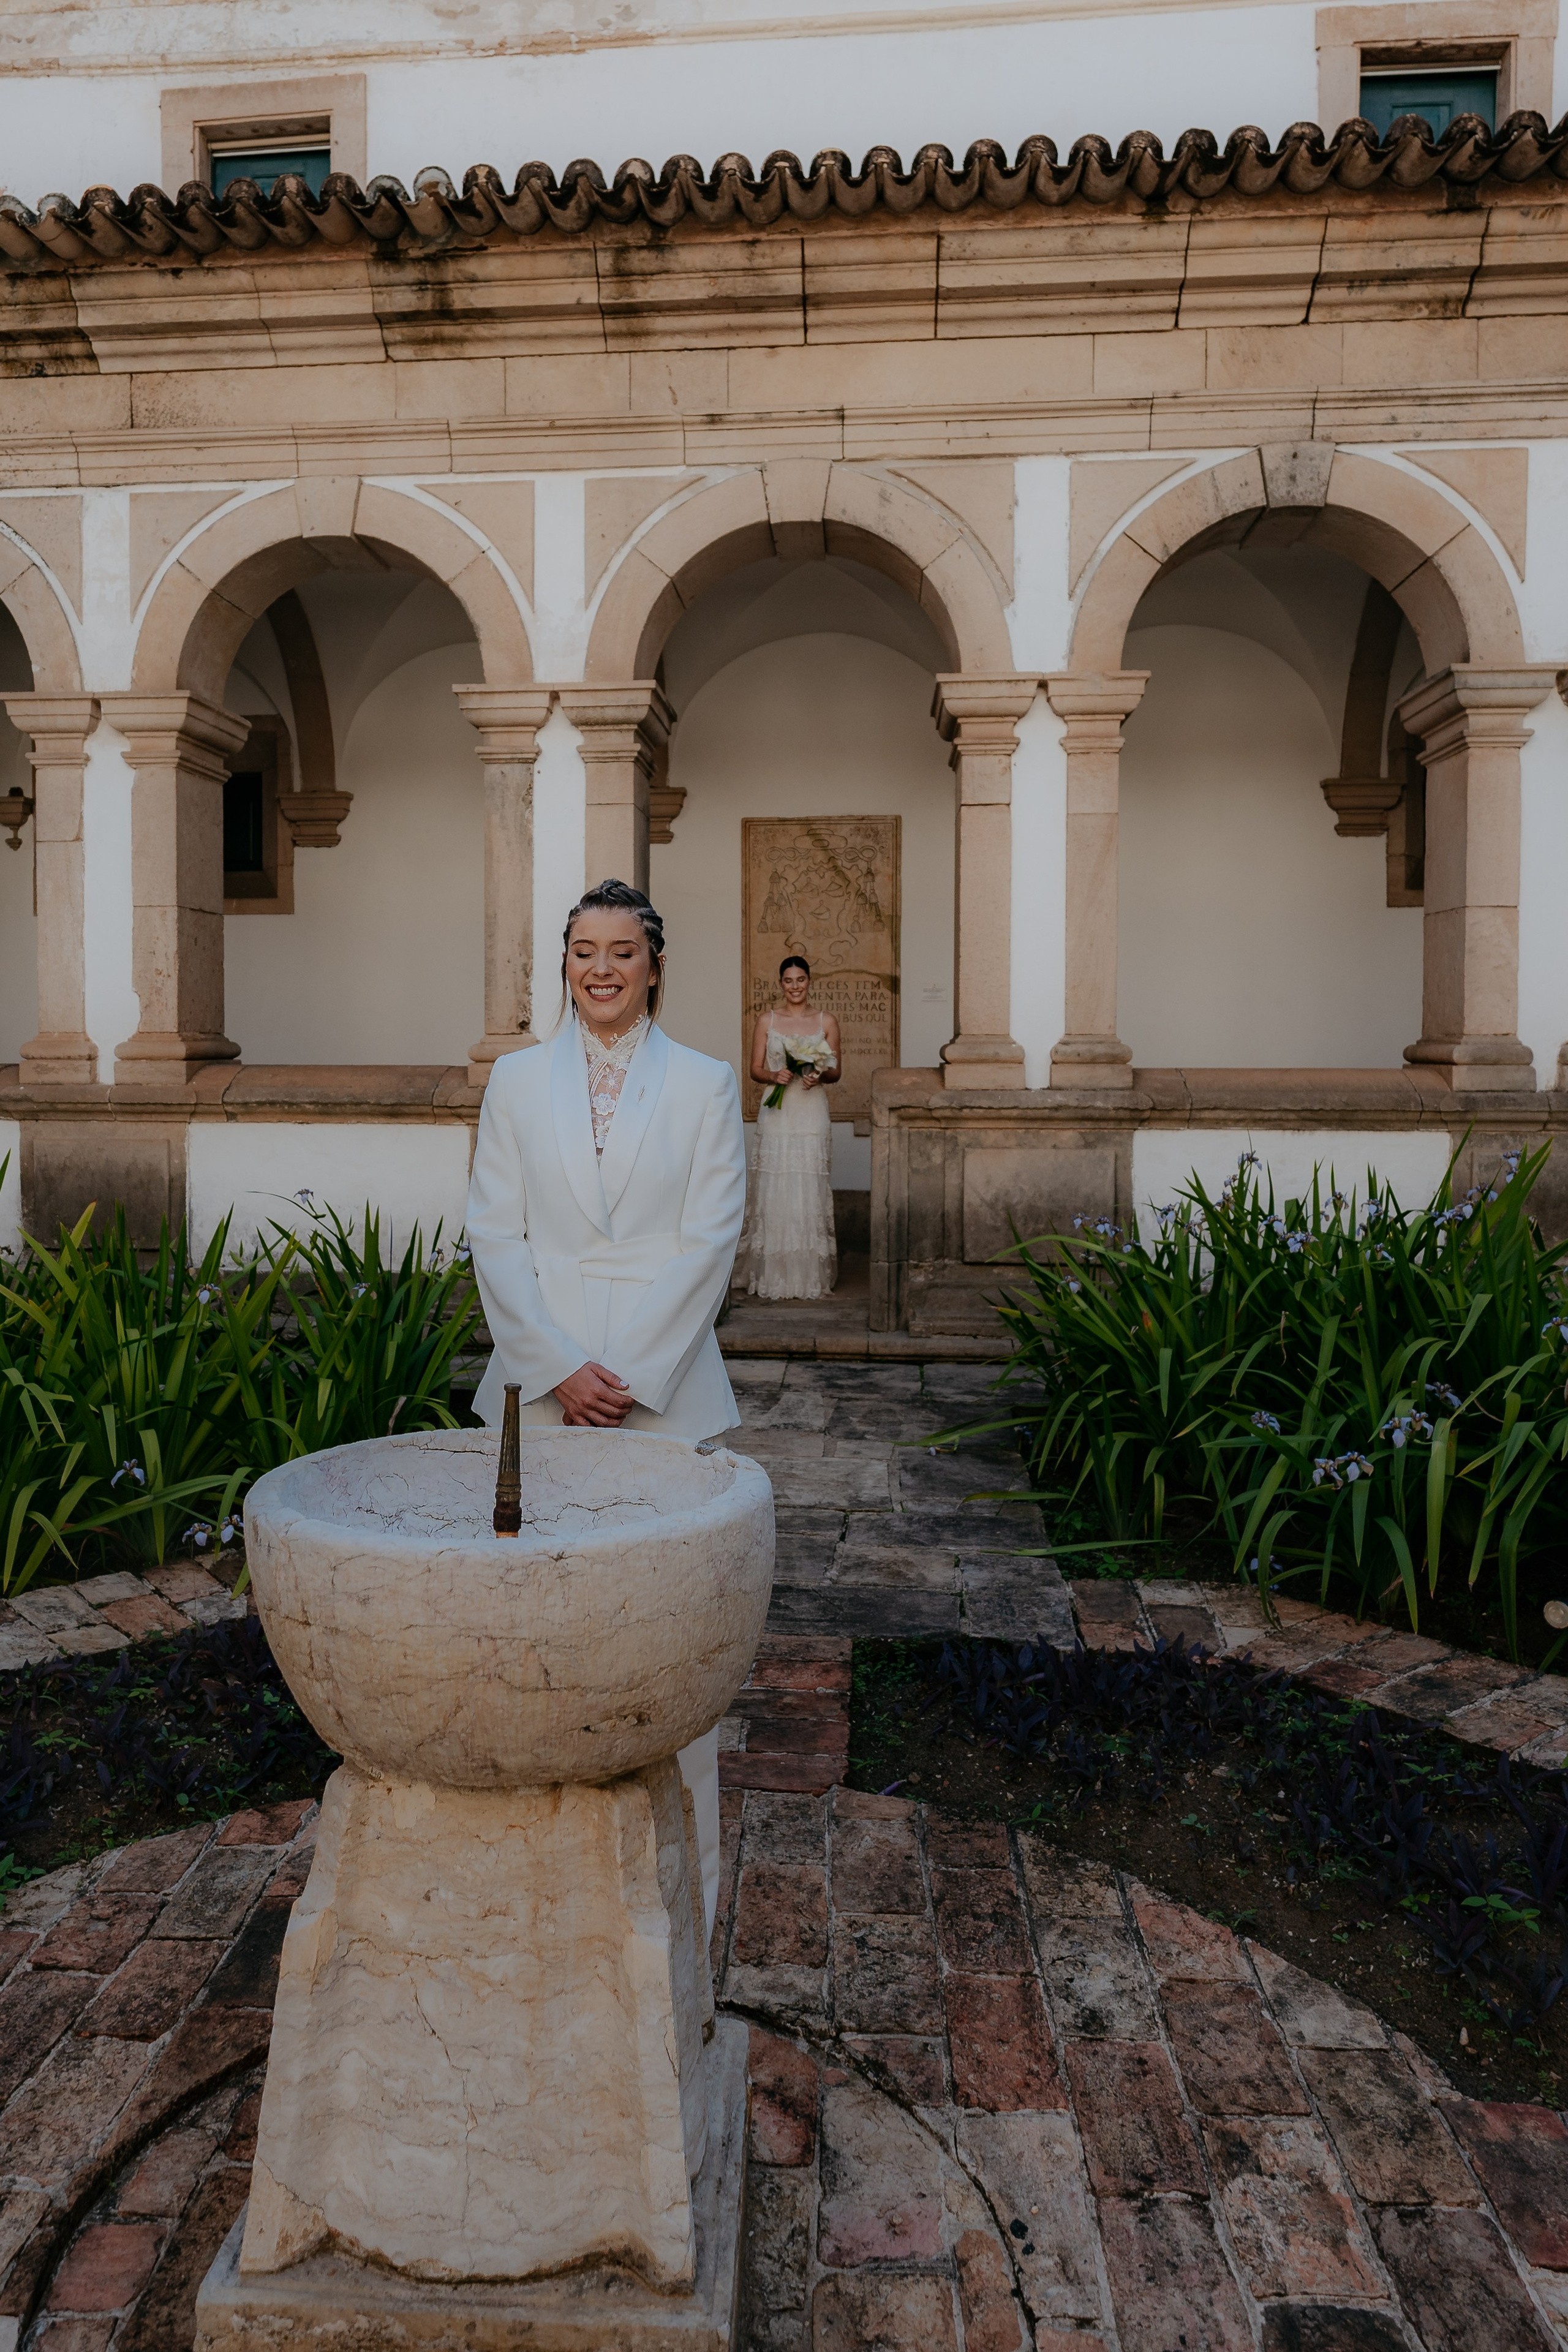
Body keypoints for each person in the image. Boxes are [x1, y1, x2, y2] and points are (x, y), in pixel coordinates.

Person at [465, 879, 747, 1937]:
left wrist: (625, 1375)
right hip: (542, 1390)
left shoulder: (708, 1084)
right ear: (566, 963)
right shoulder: (516, 1082)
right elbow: (495, 1231)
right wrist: (554, 1367)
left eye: (621, 951)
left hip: (659, 1389)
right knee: (538, 1616)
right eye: (583, 951)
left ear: (656, 965)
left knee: (664, 1626)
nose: (600, 969)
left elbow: (710, 1237)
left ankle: (682, 1878)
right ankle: (537, 1854)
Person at [736, 954, 840, 1300]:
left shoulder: (827, 1021)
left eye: (801, 980)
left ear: (809, 981)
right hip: (778, 1110)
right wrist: (774, 1074)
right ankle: (773, 1276)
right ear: (781, 984)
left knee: (809, 1186)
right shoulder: (767, 1020)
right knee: (775, 1185)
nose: (795, 986)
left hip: (811, 1110)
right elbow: (754, 1069)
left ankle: (809, 1275)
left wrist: (818, 1074)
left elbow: (837, 1071)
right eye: (788, 981)